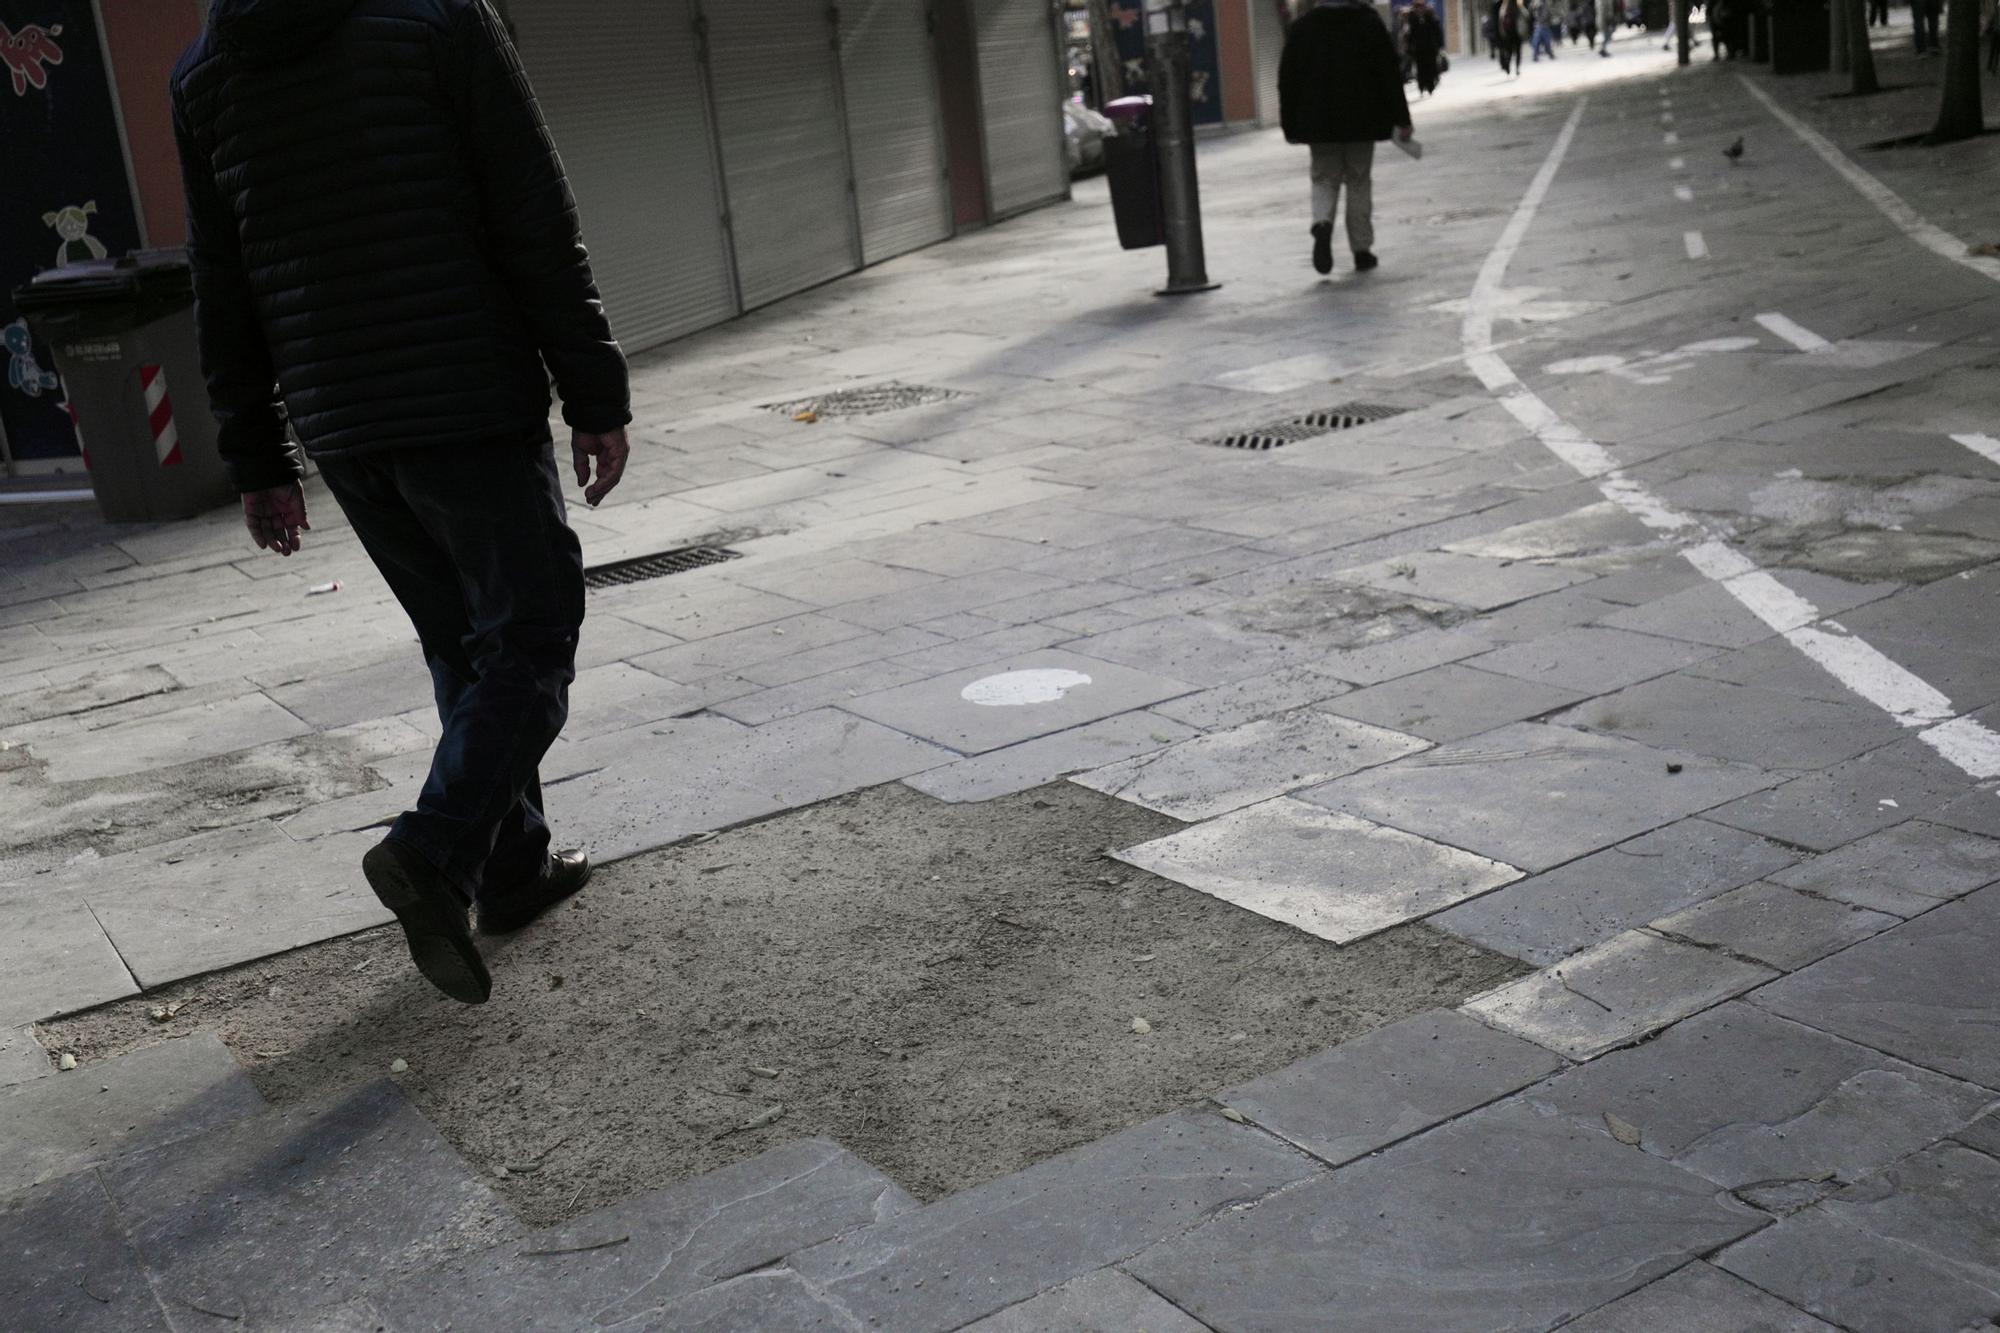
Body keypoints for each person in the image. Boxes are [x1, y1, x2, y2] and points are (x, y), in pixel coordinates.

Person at [171, 0, 631, 1005]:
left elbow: (224, 279)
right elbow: (531, 209)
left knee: (465, 645)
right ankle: (433, 849)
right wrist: (592, 388)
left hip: (342, 422)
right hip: (462, 391)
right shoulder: (437, 17)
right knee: (534, 630)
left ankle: (511, 871)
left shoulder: (204, 69)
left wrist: (259, 454)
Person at [1279, 0, 1414, 276]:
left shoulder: (1303, 28)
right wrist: (1402, 118)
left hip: (1318, 122)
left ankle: (1322, 223)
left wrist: (1290, 124)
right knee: (1358, 179)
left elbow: (1287, 79)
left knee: (1324, 177)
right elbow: (1389, 73)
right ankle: (1361, 251)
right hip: (1361, 120)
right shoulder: (1368, 23)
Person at [1406, 0, 1446, 94]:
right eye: (1417, 7)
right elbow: (1410, 34)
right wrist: (1410, 47)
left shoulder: (1430, 16)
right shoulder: (1412, 18)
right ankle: (1422, 85)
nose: (1419, 9)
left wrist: (1439, 44)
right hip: (1419, 49)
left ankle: (1431, 85)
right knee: (1421, 68)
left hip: (1430, 48)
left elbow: (1437, 31)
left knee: (1431, 66)